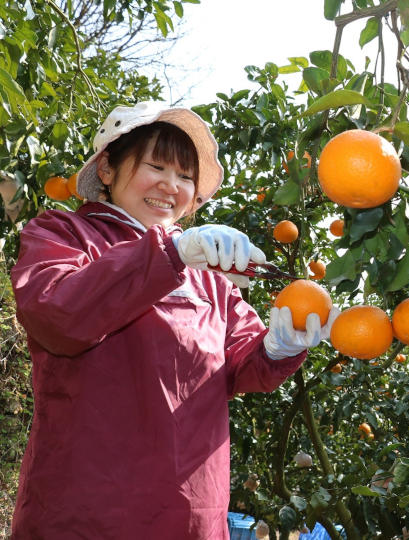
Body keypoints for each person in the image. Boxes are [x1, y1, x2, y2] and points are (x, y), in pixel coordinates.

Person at [10, 101, 338, 539]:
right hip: (84, 512)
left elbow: (241, 365)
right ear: (107, 169)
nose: (171, 186)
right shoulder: (64, 236)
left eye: (185, 176)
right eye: (157, 166)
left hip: (190, 515)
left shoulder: (210, 279)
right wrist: (169, 254)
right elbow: (57, 315)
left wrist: (279, 347)